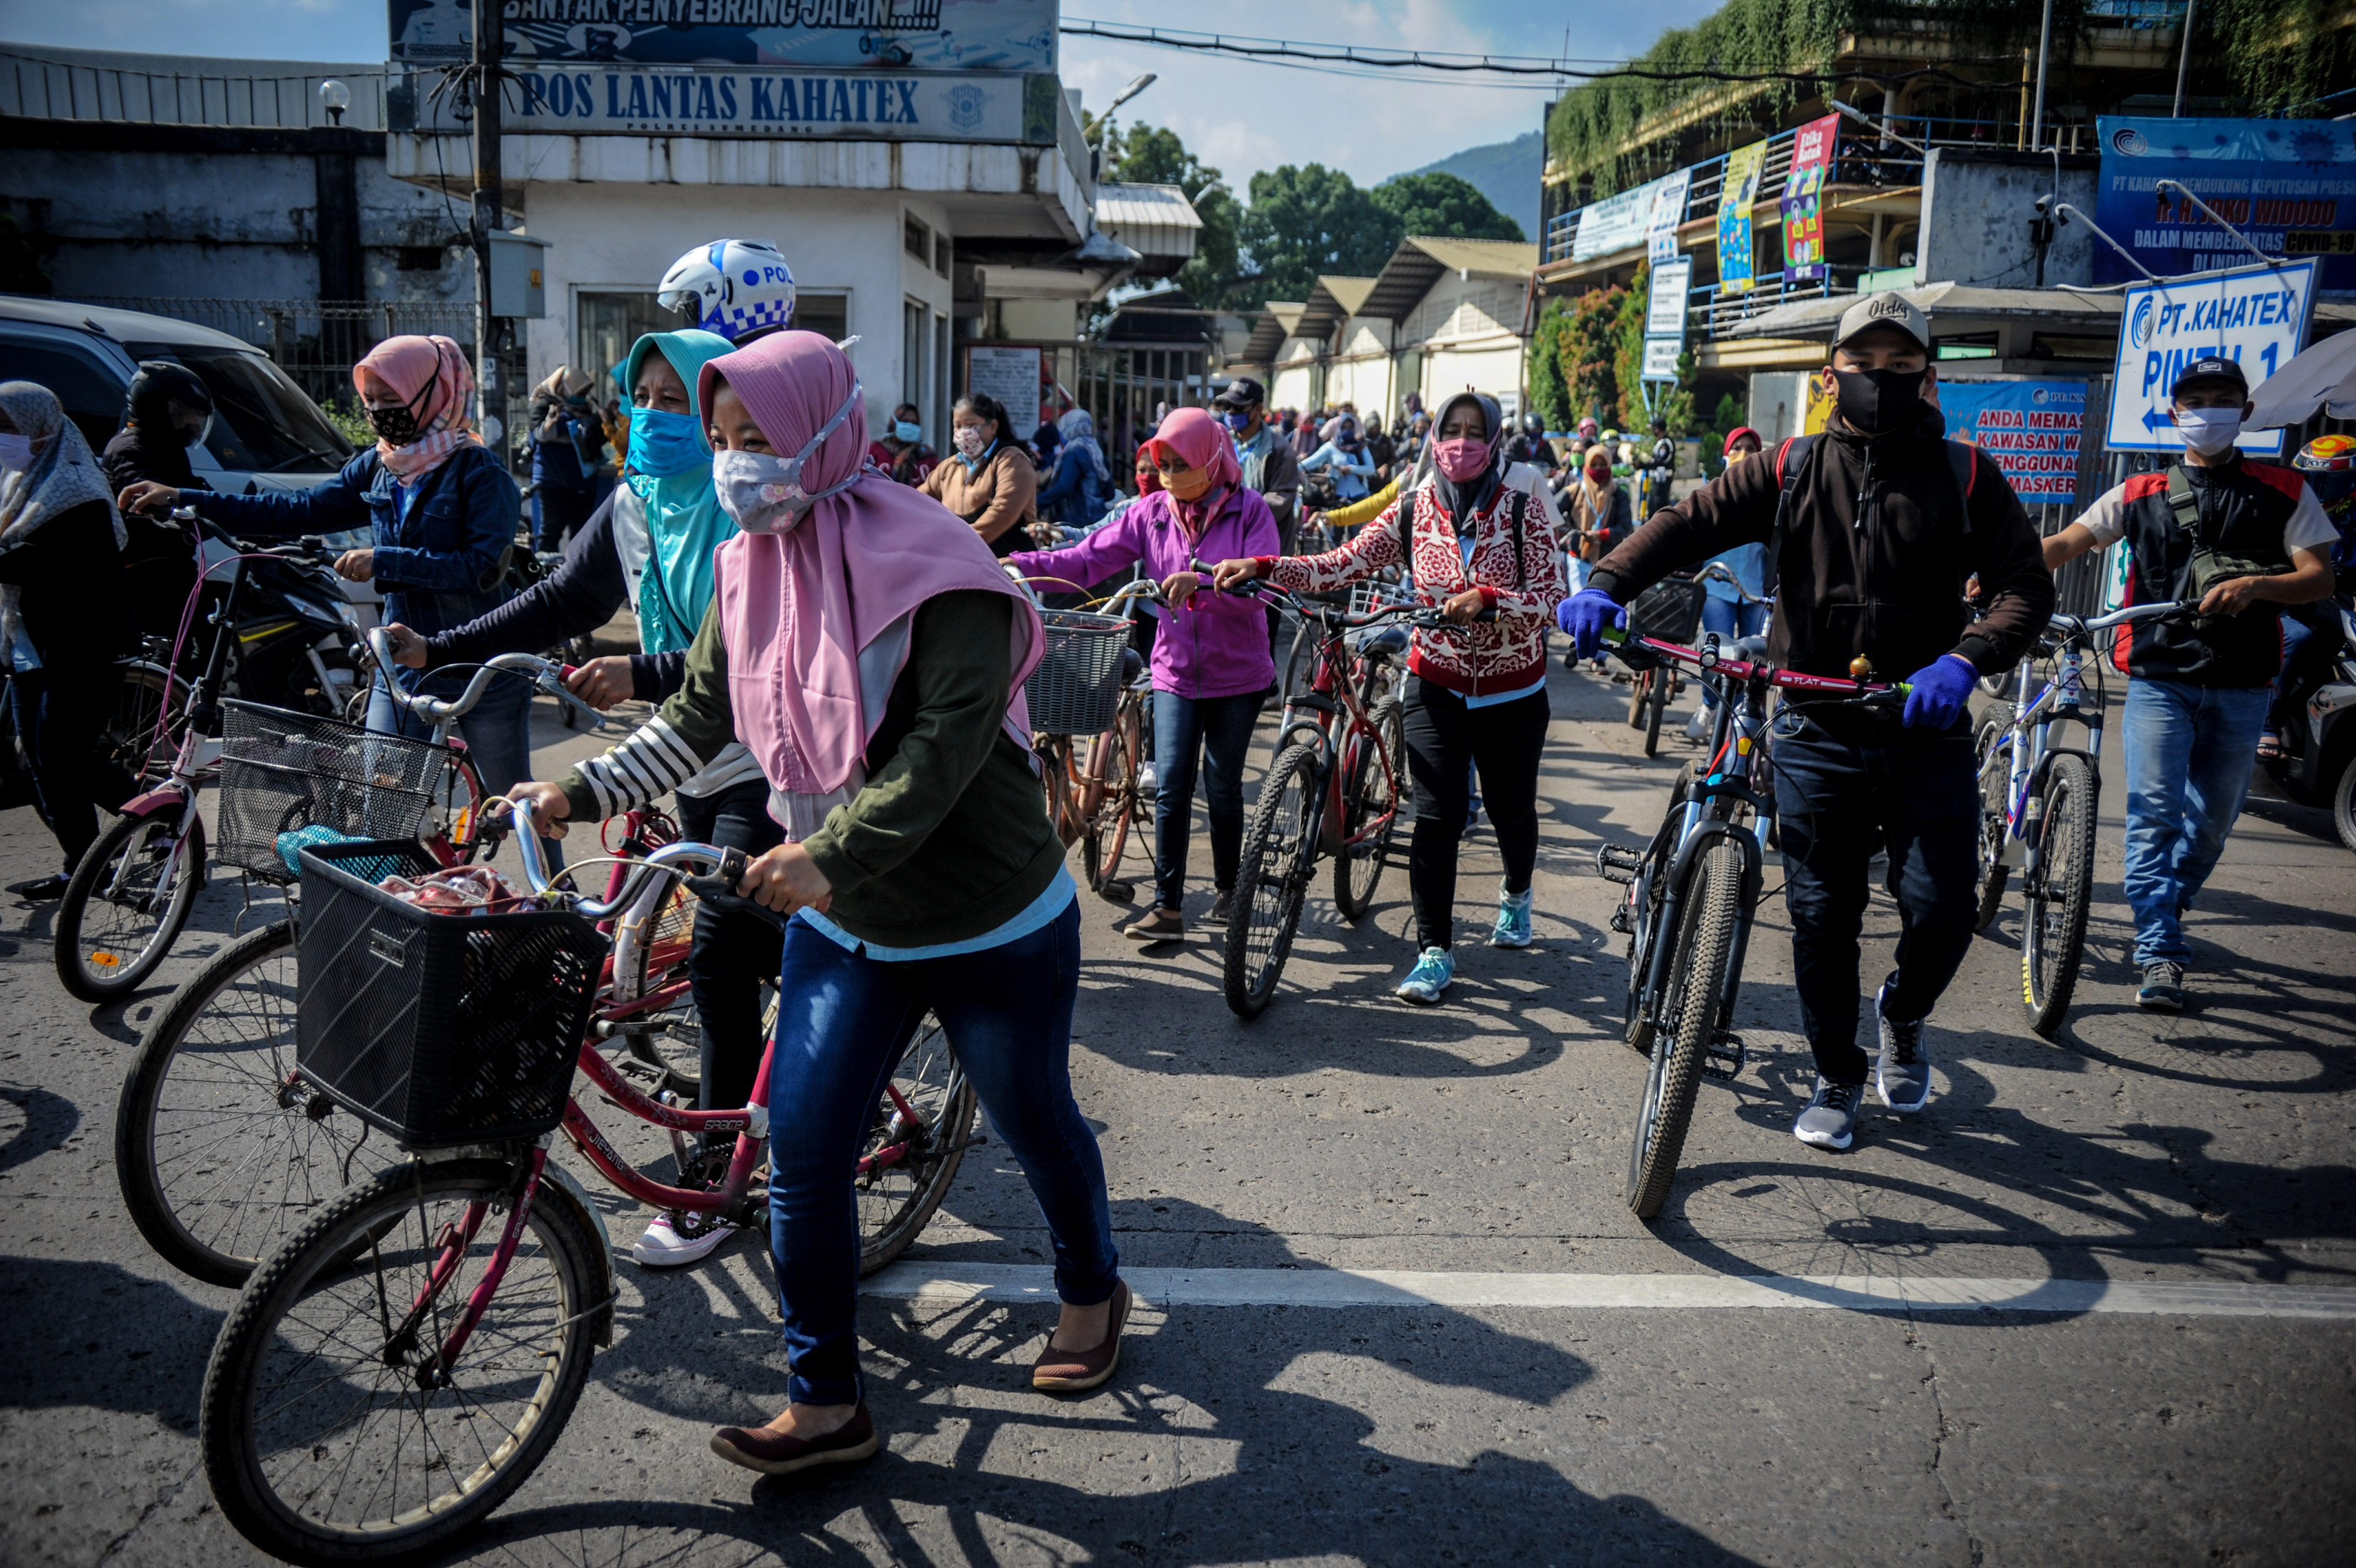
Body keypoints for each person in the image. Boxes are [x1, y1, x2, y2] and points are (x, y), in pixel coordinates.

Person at [502, 330, 1124, 1476]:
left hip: (988, 915)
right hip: (849, 915)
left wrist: (824, 853)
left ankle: (1091, 1284)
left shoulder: (940, 564)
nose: (737, 467)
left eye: (760, 443)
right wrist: (578, 785)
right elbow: (699, 716)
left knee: (1031, 1112)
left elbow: (938, 755)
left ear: (827, 435)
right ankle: (826, 1397)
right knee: (800, 1142)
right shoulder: (746, 565)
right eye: (725, 441)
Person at [1561, 293, 2055, 1150]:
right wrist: (1607, 581)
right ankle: (1836, 1071)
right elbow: (1689, 523)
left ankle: (1902, 1012)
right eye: (1864, 366)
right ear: (1831, 375)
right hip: (1815, 727)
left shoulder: (1966, 473)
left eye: (1902, 367)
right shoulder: (1789, 465)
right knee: (1822, 915)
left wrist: (1965, 658)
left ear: (1928, 378)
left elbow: (2025, 588)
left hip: (1923, 726)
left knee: (1942, 908)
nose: (1881, 382)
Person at [378, 328, 782, 1267]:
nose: (660, 416)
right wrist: (443, 647)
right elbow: (558, 598)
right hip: (687, 758)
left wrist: (637, 671)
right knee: (740, 943)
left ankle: (720, 1173)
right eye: (645, 396)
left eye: (680, 400)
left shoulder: (751, 509)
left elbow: (759, 663)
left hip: (770, 756)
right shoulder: (634, 501)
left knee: (724, 959)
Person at [1212, 391, 1567, 1004]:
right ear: (1432, 436)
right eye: (1450, 429)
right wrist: (1266, 565)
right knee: (1437, 817)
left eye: (1473, 430)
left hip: (1513, 691)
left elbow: (1552, 599)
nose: (1461, 442)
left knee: (1512, 813)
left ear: (1495, 437)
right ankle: (1434, 952)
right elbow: (1339, 564)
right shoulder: (1414, 507)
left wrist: (1489, 600)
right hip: (1435, 681)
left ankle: (1515, 893)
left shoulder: (1521, 505)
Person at [117, 335, 541, 846]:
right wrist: (186, 497)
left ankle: (557, 909)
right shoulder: (379, 466)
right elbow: (297, 510)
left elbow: (478, 569)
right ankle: (408, 909)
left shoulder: (480, 473)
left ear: (433, 392)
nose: (382, 414)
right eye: (373, 402)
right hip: (401, 662)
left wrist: (384, 560)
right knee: (382, 804)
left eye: (394, 400)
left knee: (517, 810)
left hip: (480, 667)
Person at [2040, 356, 2338, 1013]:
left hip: (2243, 681)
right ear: (2174, 413)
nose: (2208, 408)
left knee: (2211, 823)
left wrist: (2259, 585)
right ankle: (2160, 950)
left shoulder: (2285, 490)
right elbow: (2066, 542)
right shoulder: (2138, 491)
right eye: (2195, 398)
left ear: (2245, 412)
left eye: (2221, 397)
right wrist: (2002, 571)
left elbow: (2319, 577)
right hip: (2157, 678)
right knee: (2152, 814)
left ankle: (2164, 907)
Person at [1011, 407, 1278, 943]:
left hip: (1239, 676)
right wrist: (1016, 561)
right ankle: (1168, 907)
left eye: (1182, 462)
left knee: (1223, 786)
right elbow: (1087, 560)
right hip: (1174, 671)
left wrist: (1203, 584)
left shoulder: (1251, 511)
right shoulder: (1151, 512)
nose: (1171, 473)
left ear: (1210, 458)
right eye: (1164, 462)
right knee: (1172, 787)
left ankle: (1229, 887)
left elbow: (1263, 594)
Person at [0, 382, 137, 896]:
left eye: (7, 427)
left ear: (41, 427)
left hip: (81, 642)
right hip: (28, 640)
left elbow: (40, 561)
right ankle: (83, 866)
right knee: (37, 758)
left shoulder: (76, 490)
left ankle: (162, 818)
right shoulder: (17, 479)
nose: (0, 438)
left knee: (63, 754)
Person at [98, 360, 211, 642]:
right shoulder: (130, 449)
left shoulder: (164, 444)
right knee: (171, 658)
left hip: (174, 571)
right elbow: (147, 500)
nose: (192, 423)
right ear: (164, 410)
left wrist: (225, 504)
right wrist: (176, 512)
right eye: (186, 415)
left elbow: (185, 485)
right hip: (148, 578)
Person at [2261, 434, 2356, 760]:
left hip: (2340, 607)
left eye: (2327, 482)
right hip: (2289, 602)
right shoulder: (2284, 508)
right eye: (2309, 479)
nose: (2316, 490)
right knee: (2297, 639)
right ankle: (2266, 725)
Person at [921, 391, 1039, 558]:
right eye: (958, 426)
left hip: (1008, 566)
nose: (963, 433)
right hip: (962, 562)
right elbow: (919, 501)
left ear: (993, 426)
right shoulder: (950, 467)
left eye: (970, 425)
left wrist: (952, 545)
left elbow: (1002, 513)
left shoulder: (1012, 461)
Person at [525, 366, 610, 553]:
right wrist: (571, 424)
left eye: (584, 393)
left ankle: (577, 577)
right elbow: (542, 434)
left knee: (582, 534)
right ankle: (546, 577)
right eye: (577, 393)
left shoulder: (587, 409)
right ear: (563, 388)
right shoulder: (543, 405)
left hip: (583, 481)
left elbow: (594, 437)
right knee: (550, 534)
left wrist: (603, 422)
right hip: (553, 481)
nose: (581, 398)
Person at [657, 238, 798, 342]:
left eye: (695, 306)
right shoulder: (793, 361)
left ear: (727, 294)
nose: (693, 318)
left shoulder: (733, 375)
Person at [1560, 443, 1633, 616]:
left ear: (1610, 466)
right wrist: (1566, 533)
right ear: (1586, 467)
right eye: (1593, 465)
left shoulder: (1619, 495)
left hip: (1607, 566)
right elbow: (1548, 511)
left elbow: (1625, 528)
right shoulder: (1574, 491)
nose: (1598, 469)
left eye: (1603, 465)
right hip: (1579, 560)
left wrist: (1602, 535)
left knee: (1601, 616)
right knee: (1582, 612)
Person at [1034, 408, 1113, 530]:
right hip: (1099, 520)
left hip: (1075, 523)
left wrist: (1036, 503)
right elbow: (1110, 493)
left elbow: (1064, 488)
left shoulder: (1073, 454)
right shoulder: (1096, 451)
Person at [1300, 415, 1377, 521]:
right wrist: (1293, 468)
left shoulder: (1361, 446)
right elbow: (1312, 462)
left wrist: (1352, 469)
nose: (1347, 430)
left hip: (1359, 495)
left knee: (1356, 532)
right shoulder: (1332, 447)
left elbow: (1371, 469)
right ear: (1339, 429)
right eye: (1344, 427)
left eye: (1350, 427)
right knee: (1334, 533)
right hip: (1337, 496)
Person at [869, 401, 937, 486]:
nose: (909, 425)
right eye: (905, 421)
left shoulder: (927, 455)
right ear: (894, 423)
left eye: (914, 423)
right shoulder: (877, 449)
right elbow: (862, 479)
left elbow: (936, 486)